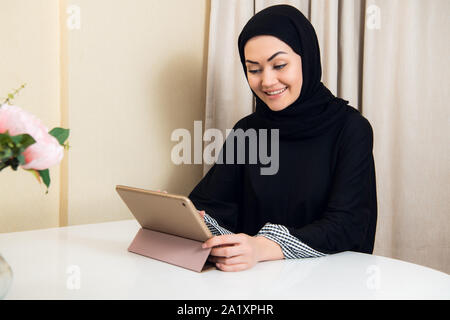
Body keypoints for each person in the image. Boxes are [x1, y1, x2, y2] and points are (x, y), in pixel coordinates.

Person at [189, 4, 377, 272]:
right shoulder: (248, 131)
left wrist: (262, 247)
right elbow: (213, 203)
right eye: (253, 69)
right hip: (253, 284)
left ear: (307, 59)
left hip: (329, 283)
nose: (267, 81)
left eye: (279, 65)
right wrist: (191, 219)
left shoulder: (350, 128)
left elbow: (346, 225)